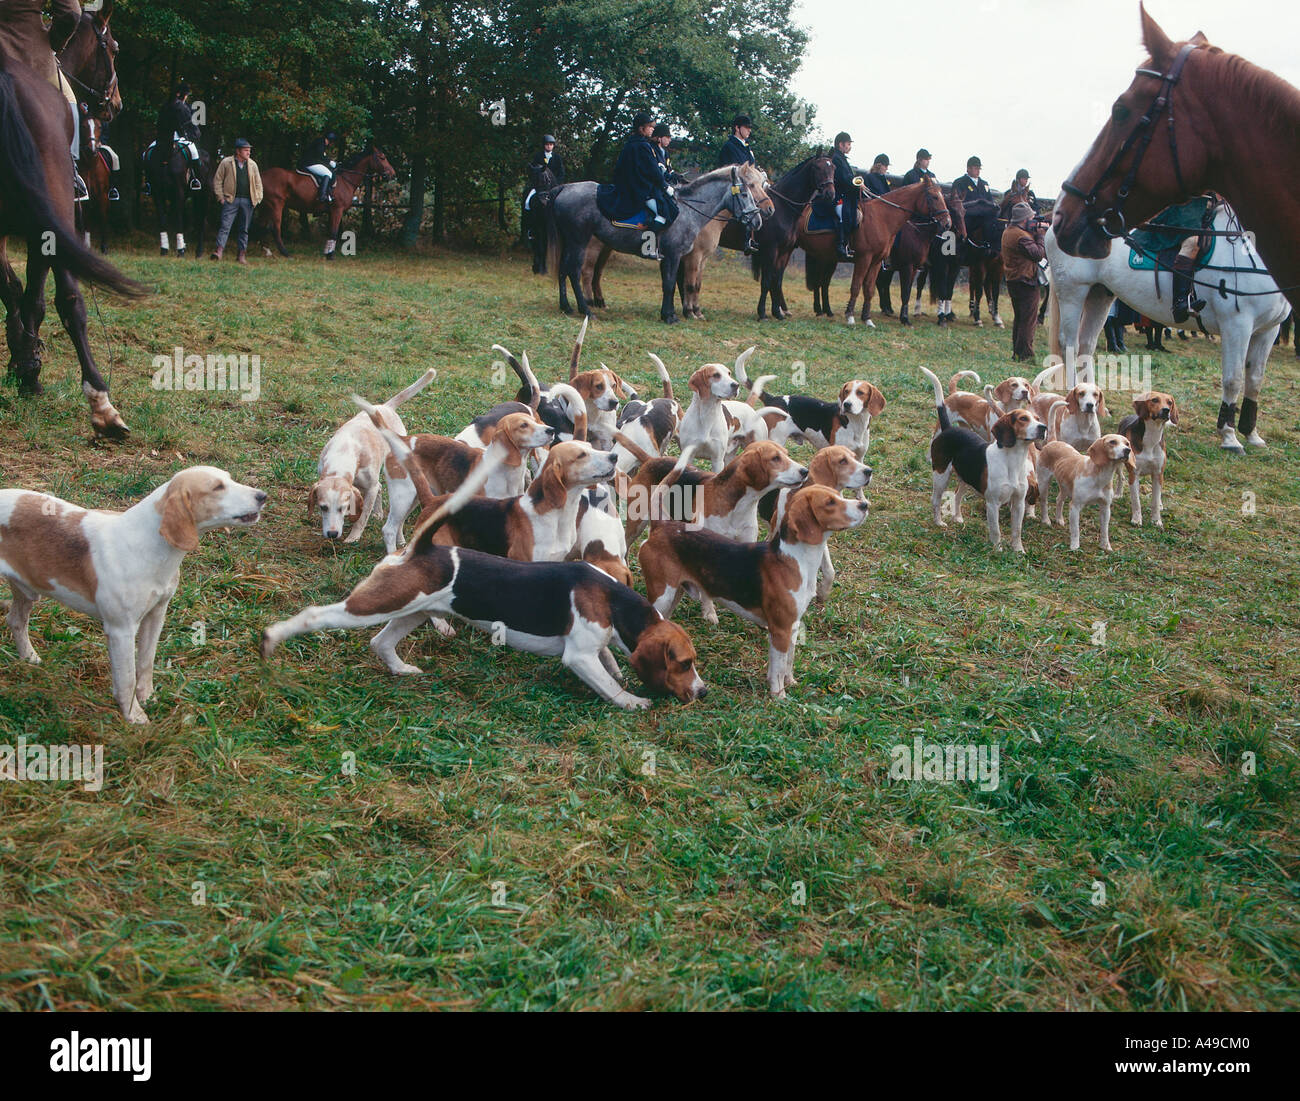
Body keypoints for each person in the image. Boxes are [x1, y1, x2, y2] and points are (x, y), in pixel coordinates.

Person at [0, 0, 88, 197]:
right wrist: (54, 43)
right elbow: (71, 13)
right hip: (32, 58)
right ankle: (70, 172)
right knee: (69, 100)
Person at [596, 111, 677, 261]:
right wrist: (665, 187)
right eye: (650, 127)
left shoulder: (632, 144)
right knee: (664, 213)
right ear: (641, 129)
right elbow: (653, 170)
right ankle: (647, 248)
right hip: (639, 191)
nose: (652, 130)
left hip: (633, 187)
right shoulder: (643, 146)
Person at [1001, 202, 1048, 362]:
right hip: (1026, 280)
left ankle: (1017, 351)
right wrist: (1041, 235)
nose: (1033, 220)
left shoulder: (1010, 231)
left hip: (1014, 279)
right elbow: (1038, 254)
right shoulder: (1021, 237)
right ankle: (1026, 355)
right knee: (1028, 319)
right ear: (1024, 219)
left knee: (1020, 318)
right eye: (1031, 217)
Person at [211, 139, 263, 265]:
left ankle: (241, 255)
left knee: (244, 229)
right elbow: (217, 180)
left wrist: (257, 199)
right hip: (230, 200)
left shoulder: (252, 165)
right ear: (238, 151)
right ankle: (219, 251)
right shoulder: (226, 162)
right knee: (225, 226)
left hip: (248, 201)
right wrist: (221, 198)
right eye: (246, 150)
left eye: (249, 150)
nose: (248, 153)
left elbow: (258, 183)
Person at [155, 82, 203, 190]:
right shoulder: (172, 107)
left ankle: (195, 178)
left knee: (194, 153)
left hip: (175, 138)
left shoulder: (184, 107)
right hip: (169, 138)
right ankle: (149, 183)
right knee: (146, 154)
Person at [831, 131, 863, 261]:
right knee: (842, 214)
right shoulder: (836, 158)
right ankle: (841, 244)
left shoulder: (842, 158)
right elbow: (844, 178)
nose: (850, 146)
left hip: (847, 194)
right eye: (848, 144)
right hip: (838, 195)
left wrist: (859, 182)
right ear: (841, 144)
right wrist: (857, 182)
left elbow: (850, 177)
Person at [298, 130, 339, 205]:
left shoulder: (321, 143)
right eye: (331, 143)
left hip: (311, 162)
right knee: (328, 173)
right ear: (330, 141)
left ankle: (327, 193)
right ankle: (322, 196)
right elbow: (320, 156)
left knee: (327, 171)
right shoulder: (321, 143)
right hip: (309, 163)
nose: (330, 144)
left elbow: (321, 157)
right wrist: (330, 162)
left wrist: (329, 162)